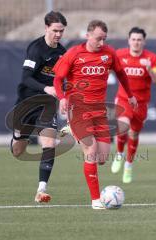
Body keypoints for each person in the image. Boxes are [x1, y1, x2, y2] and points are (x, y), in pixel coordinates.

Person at [53, 20, 137, 209]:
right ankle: (96, 200)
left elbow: (122, 74)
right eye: (98, 38)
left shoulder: (109, 53)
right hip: (78, 109)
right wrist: (62, 98)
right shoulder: (74, 53)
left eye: (104, 39)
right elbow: (58, 78)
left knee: (102, 159)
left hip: (99, 111)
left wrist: (130, 95)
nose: (101, 43)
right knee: (90, 152)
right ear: (88, 35)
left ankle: (73, 131)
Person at [10, 11, 67, 203]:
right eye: (55, 30)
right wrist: (46, 87)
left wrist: (63, 95)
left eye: (61, 31)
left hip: (47, 104)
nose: (58, 34)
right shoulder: (36, 48)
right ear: (46, 28)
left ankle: (41, 190)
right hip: (27, 102)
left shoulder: (62, 53)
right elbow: (26, 78)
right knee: (18, 151)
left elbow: (63, 81)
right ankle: (18, 136)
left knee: (49, 144)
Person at [111, 27, 156, 183]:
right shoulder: (120, 55)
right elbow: (109, 67)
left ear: (144, 41)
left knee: (134, 134)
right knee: (122, 127)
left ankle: (129, 165)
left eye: (139, 40)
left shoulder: (151, 58)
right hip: (124, 99)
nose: (136, 42)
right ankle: (119, 154)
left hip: (141, 103)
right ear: (129, 40)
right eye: (133, 39)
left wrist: (149, 69)